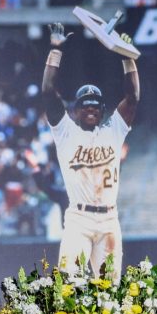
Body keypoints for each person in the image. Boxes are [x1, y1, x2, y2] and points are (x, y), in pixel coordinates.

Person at [41, 22, 140, 283]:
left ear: (102, 109)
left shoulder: (114, 130)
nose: (90, 109)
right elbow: (48, 92)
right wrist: (55, 51)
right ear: (75, 110)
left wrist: (127, 56)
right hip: (78, 217)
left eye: (96, 105)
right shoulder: (65, 132)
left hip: (109, 218)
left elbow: (133, 97)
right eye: (84, 105)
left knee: (109, 291)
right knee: (69, 285)